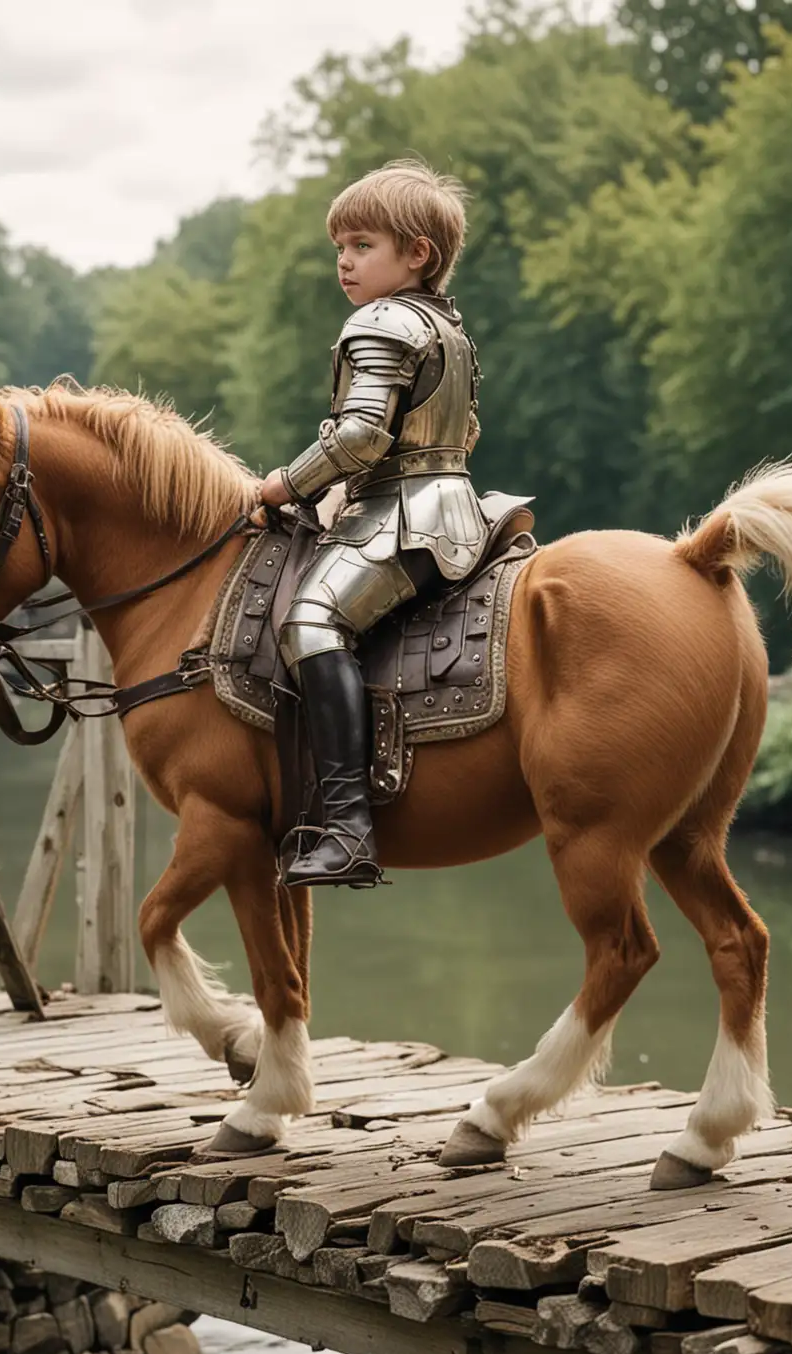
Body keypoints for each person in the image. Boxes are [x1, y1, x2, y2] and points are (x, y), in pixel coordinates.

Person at [255, 159, 487, 889]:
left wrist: (283, 484)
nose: (345, 263)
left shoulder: (382, 320)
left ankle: (348, 830)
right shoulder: (447, 327)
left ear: (417, 255)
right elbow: (464, 428)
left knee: (310, 623)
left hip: (402, 516)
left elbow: (360, 437)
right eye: (340, 248)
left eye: (362, 245)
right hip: (452, 506)